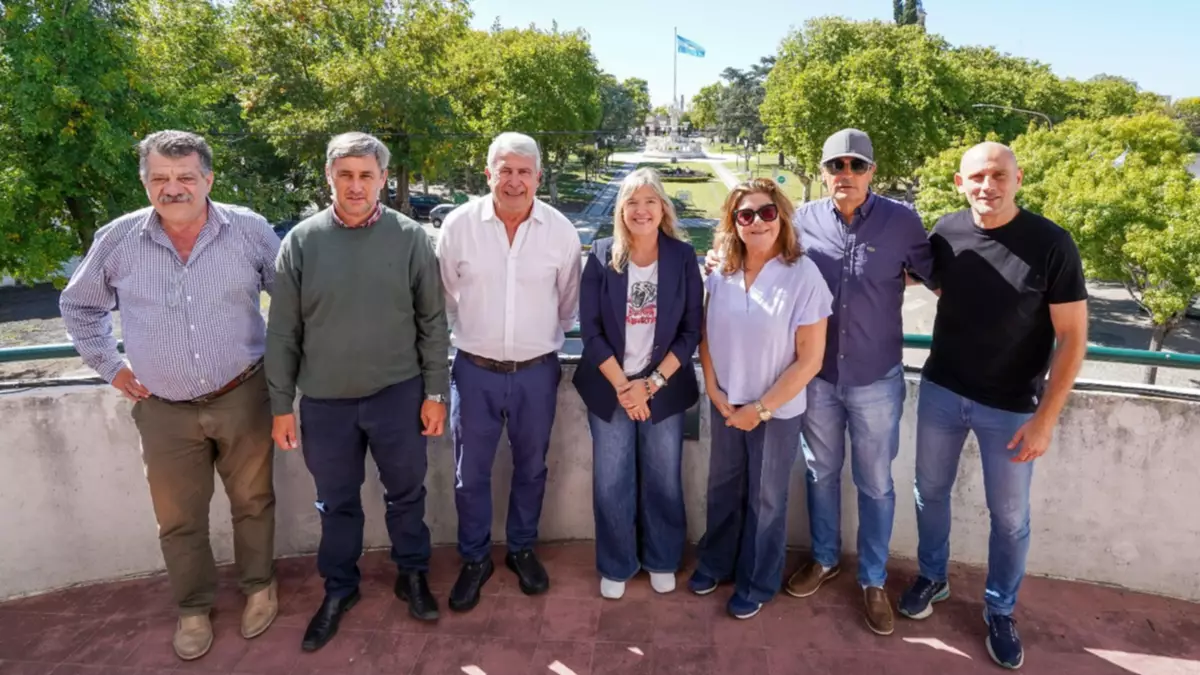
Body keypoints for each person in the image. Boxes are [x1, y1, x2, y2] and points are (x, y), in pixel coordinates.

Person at [59, 130, 280, 661]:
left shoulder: (249, 230)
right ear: (145, 182)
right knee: (179, 518)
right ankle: (193, 607)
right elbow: (80, 306)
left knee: (253, 501)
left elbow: (293, 301)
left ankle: (259, 587)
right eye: (160, 177)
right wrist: (110, 367)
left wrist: (284, 368)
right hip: (162, 409)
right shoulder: (118, 238)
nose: (173, 188)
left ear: (208, 179)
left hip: (243, 396)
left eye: (185, 177)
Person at [897, 142, 1088, 670]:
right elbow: (921, 279)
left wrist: (1045, 419)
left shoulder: (1052, 244)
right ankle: (932, 577)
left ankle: (1000, 610)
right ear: (960, 183)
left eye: (999, 175)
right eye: (977, 176)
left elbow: (1073, 338)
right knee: (929, 492)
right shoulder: (947, 231)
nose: (988, 185)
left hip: (1011, 407)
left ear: (1018, 179)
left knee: (1009, 517)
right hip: (942, 390)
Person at [266, 132, 449, 652]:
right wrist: (281, 405)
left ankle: (412, 574)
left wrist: (436, 392)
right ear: (329, 177)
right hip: (325, 403)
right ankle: (340, 587)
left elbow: (432, 322)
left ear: (383, 179)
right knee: (337, 502)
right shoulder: (301, 242)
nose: (355, 185)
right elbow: (283, 332)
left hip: (398, 395)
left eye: (366, 175)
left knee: (407, 495)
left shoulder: (410, 238)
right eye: (345, 174)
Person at [781, 129, 934, 636]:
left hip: (876, 378)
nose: (846, 174)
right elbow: (767, 265)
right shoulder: (801, 222)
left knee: (875, 484)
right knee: (820, 472)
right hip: (818, 376)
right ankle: (825, 559)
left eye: (856, 165)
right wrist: (717, 260)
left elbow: (932, 273)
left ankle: (872, 579)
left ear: (872, 172)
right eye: (836, 166)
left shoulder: (902, 221)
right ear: (823, 171)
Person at [437, 132, 582, 612]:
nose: (514, 181)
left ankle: (521, 549)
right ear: (489, 174)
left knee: (532, 467)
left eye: (524, 171)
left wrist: (532, 338)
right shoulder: (458, 226)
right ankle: (475, 558)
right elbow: (443, 299)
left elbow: (568, 305)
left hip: (537, 373)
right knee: (469, 474)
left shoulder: (560, 231)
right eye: (505, 170)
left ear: (538, 176)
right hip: (473, 372)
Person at [690, 178, 831, 619]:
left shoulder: (803, 274)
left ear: (781, 217)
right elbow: (706, 333)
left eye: (767, 213)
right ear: (733, 222)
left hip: (777, 411)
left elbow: (810, 359)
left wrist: (762, 408)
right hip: (726, 403)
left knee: (766, 500)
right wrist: (713, 388)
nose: (757, 222)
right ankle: (716, 563)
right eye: (745, 214)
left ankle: (757, 582)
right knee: (722, 489)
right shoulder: (722, 271)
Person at [572, 168, 703, 600]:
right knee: (611, 481)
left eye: (650, 201)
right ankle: (617, 563)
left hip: (663, 389)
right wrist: (625, 387)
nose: (641, 210)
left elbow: (690, 331)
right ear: (621, 210)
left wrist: (650, 384)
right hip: (610, 389)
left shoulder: (682, 257)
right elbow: (590, 330)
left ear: (663, 208)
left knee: (663, 478)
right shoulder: (601, 254)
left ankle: (662, 558)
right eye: (632, 202)